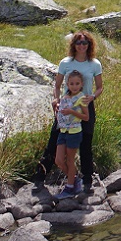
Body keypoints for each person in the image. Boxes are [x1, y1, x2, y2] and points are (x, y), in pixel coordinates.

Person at [38, 30, 103, 193]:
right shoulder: (65, 63)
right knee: (55, 138)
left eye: (85, 43)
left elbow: (100, 87)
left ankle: (87, 179)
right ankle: (40, 176)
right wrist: (56, 99)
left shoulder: (94, 64)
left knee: (86, 142)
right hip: (66, 105)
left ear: (90, 45)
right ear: (73, 45)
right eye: (79, 42)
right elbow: (57, 85)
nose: (82, 46)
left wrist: (92, 97)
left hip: (85, 105)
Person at [53, 70, 90, 198]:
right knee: (58, 160)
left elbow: (86, 117)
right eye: (72, 84)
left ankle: (69, 188)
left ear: (81, 84)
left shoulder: (82, 98)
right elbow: (60, 114)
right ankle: (74, 180)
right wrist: (57, 109)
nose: (74, 86)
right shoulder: (64, 97)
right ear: (68, 85)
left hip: (74, 132)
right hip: (63, 131)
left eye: (77, 84)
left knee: (70, 160)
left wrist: (72, 112)